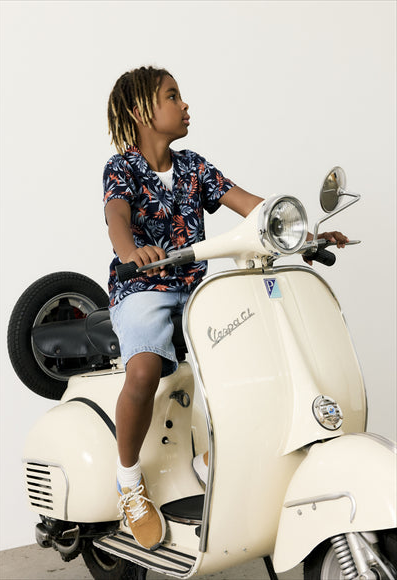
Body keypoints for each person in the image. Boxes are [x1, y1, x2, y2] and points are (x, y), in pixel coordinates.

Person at [103, 65, 348, 551]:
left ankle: (209, 461)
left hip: (197, 292)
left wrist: (306, 234)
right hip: (143, 288)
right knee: (144, 370)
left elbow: (255, 208)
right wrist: (131, 251)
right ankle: (128, 480)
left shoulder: (194, 166)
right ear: (141, 110)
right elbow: (116, 215)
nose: (184, 105)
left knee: (253, 362)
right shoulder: (122, 168)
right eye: (172, 96)